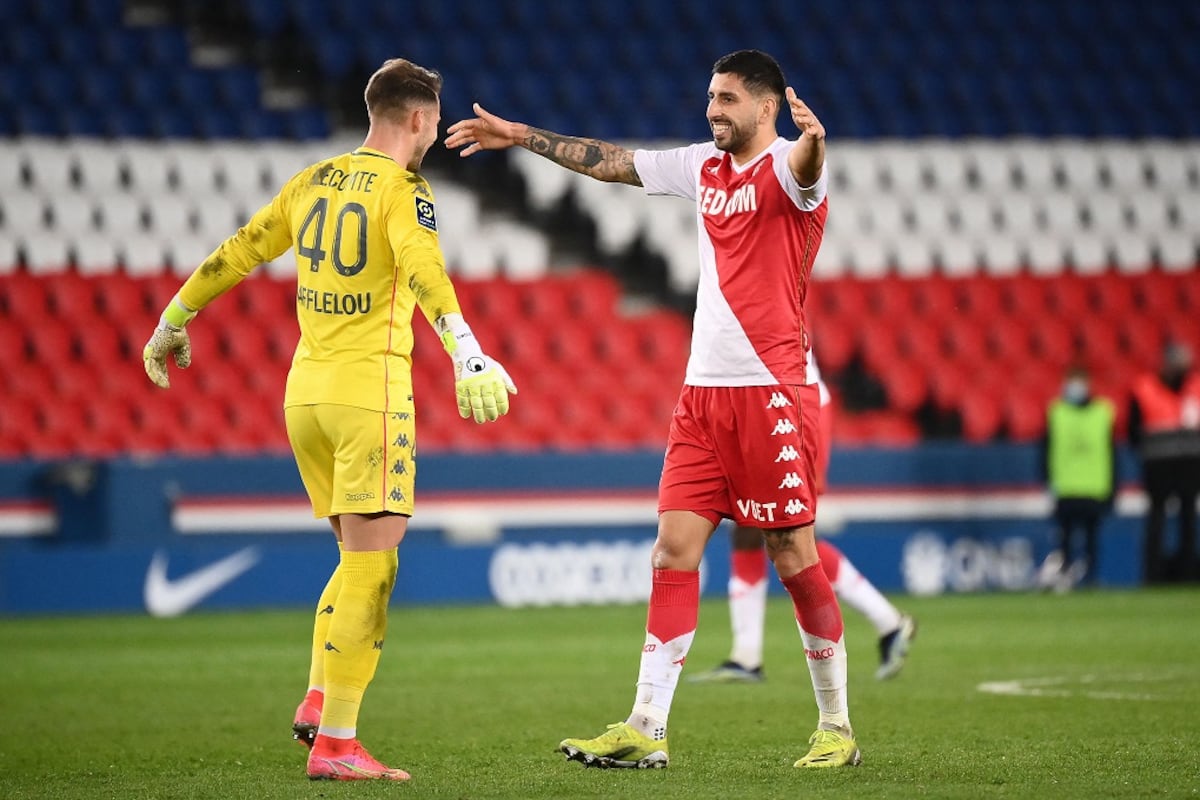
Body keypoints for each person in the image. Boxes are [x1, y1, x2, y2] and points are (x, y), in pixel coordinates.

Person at [448, 49, 860, 769]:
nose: (712, 108)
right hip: (701, 397)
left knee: (792, 553)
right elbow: (613, 162)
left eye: (727, 98)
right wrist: (520, 136)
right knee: (672, 550)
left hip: (770, 392)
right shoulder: (702, 166)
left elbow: (806, 169)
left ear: (766, 107)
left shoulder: (788, 170)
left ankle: (836, 726)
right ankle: (646, 725)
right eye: (711, 96)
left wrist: (815, 142)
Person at [142, 58, 517, 782]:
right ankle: (339, 744)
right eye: (435, 122)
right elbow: (423, 269)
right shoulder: (403, 191)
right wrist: (467, 353)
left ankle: (320, 698)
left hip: (306, 397)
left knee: (354, 563)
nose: (435, 134)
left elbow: (239, 250)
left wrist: (172, 320)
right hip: (369, 396)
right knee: (375, 572)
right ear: (418, 118)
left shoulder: (312, 180)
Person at [691, 351, 916, 684]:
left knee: (789, 532)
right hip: (761, 402)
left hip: (794, 404)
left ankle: (888, 622)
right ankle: (746, 656)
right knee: (749, 526)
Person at [1036, 364, 1116, 590]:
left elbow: (1111, 453)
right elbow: (1046, 450)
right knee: (1066, 538)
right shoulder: (1056, 412)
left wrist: (1112, 486)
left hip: (1094, 486)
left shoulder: (1102, 412)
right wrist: (1048, 480)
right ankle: (1065, 577)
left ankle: (1090, 578)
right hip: (1066, 486)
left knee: (1092, 538)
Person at [1128, 341, 1200, 583]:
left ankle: (1188, 574)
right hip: (1158, 467)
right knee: (1156, 521)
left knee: (1188, 521)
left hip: (1190, 466)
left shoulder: (1196, 387)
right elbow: (1133, 430)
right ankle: (1153, 575)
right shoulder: (1145, 388)